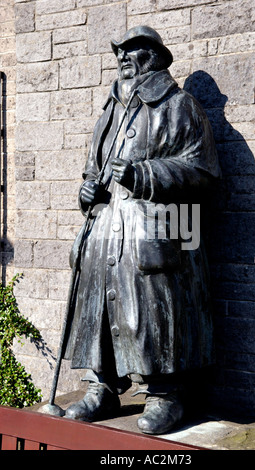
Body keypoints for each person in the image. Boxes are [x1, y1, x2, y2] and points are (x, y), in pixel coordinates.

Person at [63, 26, 221, 435]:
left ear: (154, 56)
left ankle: (165, 393)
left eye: (133, 51)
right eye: (119, 52)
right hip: (106, 229)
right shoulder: (110, 111)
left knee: (154, 313)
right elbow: (92, 170)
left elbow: (203, 172)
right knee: (98, 312)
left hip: (157, 230)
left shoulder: (180, 106)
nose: (123, 57)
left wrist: (144, 174)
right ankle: (102, 385)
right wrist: (87, 188)